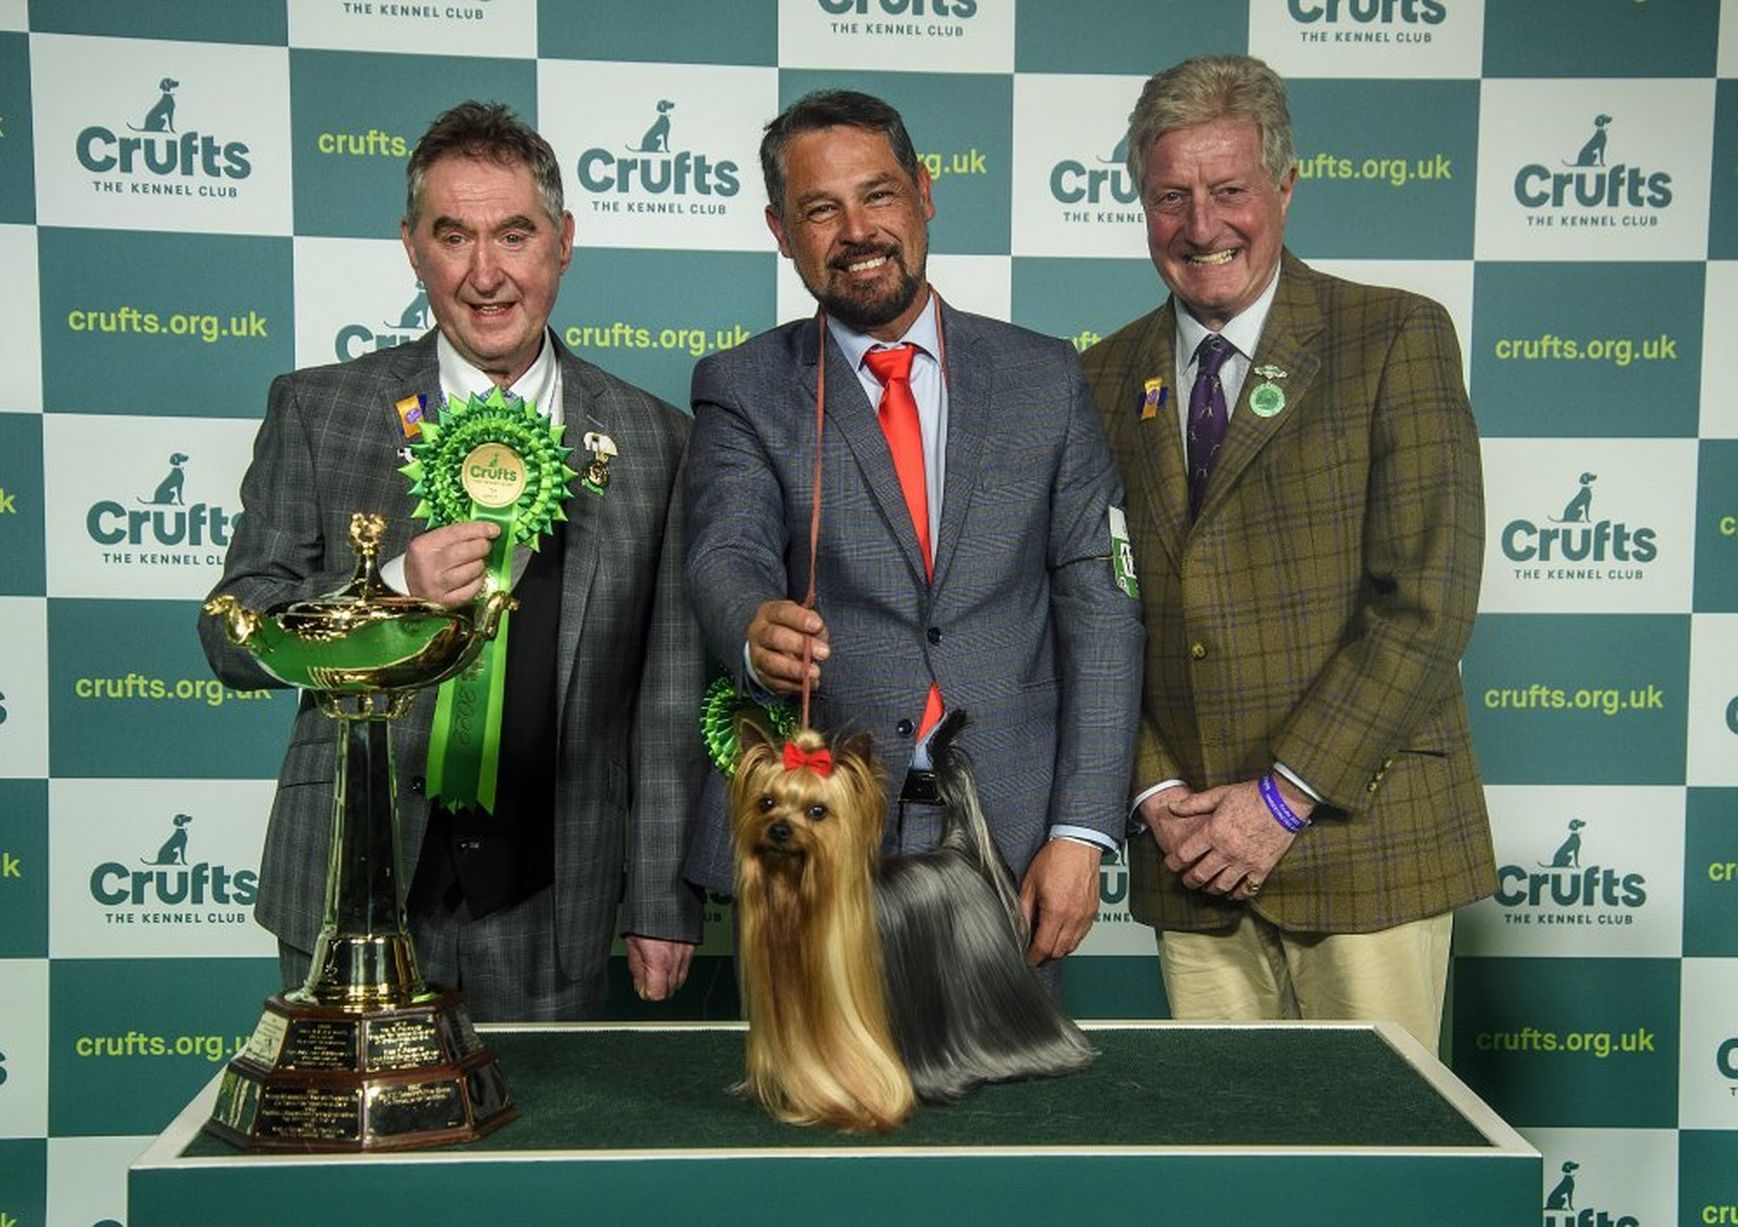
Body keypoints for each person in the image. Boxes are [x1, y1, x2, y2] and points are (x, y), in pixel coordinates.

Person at [199, 101, 705, 1020]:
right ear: (410, 247)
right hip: (352, 883)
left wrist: (663, 895)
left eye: (515, 234)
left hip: (560, 898)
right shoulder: (322, 410)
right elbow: (232, 633)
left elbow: (669, 696)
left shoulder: (656, 439)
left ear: (563, 243)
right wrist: (385, 589)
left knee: (542, 1161)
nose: (486, 274)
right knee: (353, 1164)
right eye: (453, 236)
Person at [1081, 55, 1495, 1051]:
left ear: (1284, 187)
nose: (1200, 224)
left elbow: (1425, 603)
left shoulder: (1393, 335)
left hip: (1365, 843)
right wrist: (1150, 793)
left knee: (1379, 1174)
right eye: (1169, 196)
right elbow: (1094, 610)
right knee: (1231, 1176)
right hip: (1190, 860)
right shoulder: (1099, 378)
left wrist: (1278, 800)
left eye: (1228, 191)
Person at [681, 90, 1143, 972]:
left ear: (925, 191)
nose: (857, 229)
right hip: (820, 833)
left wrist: (1082, 830)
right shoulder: (742, 385)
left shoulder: (1043, 376)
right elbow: (723, 548)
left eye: (878, 194)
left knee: (1003, 1102)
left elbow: (1101, 605)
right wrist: (751, 623)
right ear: (781, 230)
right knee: (816, 1102)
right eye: (821, 209)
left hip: (1013, 843)